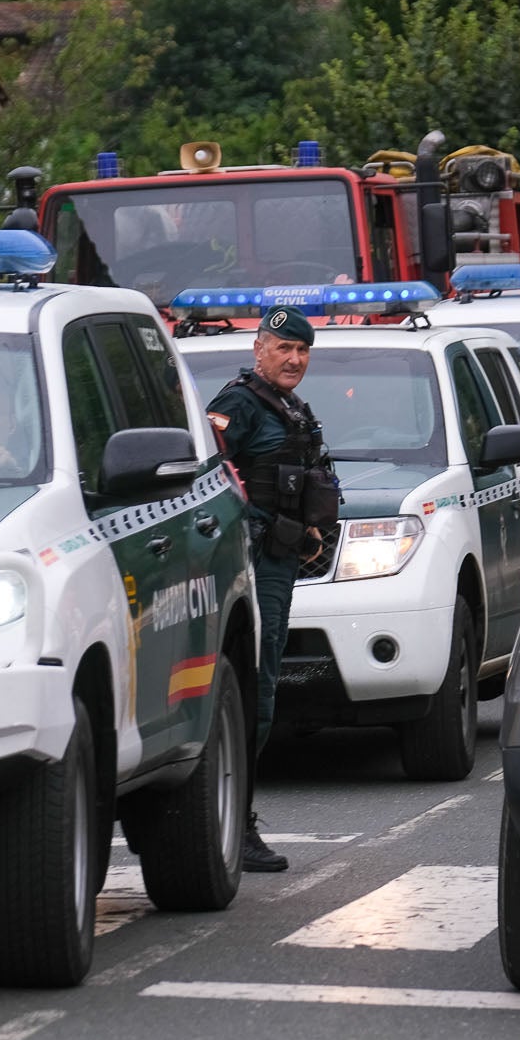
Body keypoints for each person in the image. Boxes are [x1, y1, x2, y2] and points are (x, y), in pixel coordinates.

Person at [206, 306, 339, 873]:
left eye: (302, 350)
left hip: (280, 562)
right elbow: (210, 480)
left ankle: (235, 819)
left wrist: (311, 526)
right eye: (283, 348)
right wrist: (260, 527)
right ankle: (235, 825)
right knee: (253, 693)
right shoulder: (236, 405)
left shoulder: (290, 408)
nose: (294, 359)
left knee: (262, 691)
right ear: (258, 347)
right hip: (252, 563)